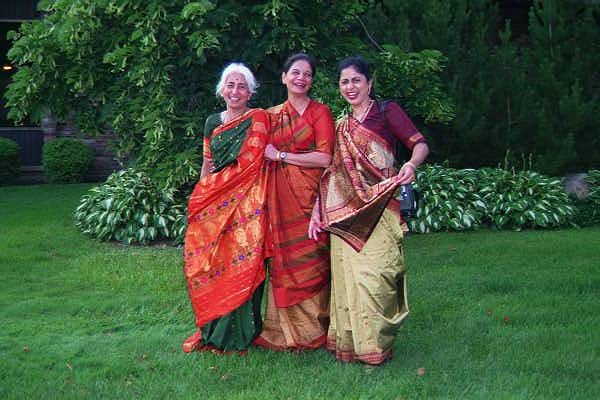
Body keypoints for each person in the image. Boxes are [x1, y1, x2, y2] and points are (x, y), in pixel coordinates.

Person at [309, 55, 429, 365]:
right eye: (344, 82)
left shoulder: (387, 112)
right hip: (348, 215)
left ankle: (377, 346)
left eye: (356, 80)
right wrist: (317, 211)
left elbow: (420, 144)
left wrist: (411, 164)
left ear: (369, 83)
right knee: (349, 279)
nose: (350, 87)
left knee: (377, 277)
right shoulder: (340, 127)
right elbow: (331, 174)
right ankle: (353, 347)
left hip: (382, 208)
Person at [182, 63, 271, 353]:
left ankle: (242, 335)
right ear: (222, 90)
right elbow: (208, 163)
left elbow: (256, 162)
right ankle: (214, 332)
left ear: (250, 92)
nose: (235, 91)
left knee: (244, 263)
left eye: (242, 86)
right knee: (214, 264)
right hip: (215, 204)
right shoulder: (212, 122)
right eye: (230, 85)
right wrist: (200, 199)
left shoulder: (257, 119)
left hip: (247, 206)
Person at [253, 53, 335, 350]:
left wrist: (281, 155)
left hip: (312, 199)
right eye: (296, 73)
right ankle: (282, 332)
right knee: (283, 261)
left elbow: (325, 158)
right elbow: (253, 152)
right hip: (279, 201)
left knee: (313, 260)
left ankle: (314, 331)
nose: (302, 78)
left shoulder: (320, 113)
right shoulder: (270, 115)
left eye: (307, 74)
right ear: (284, 77)